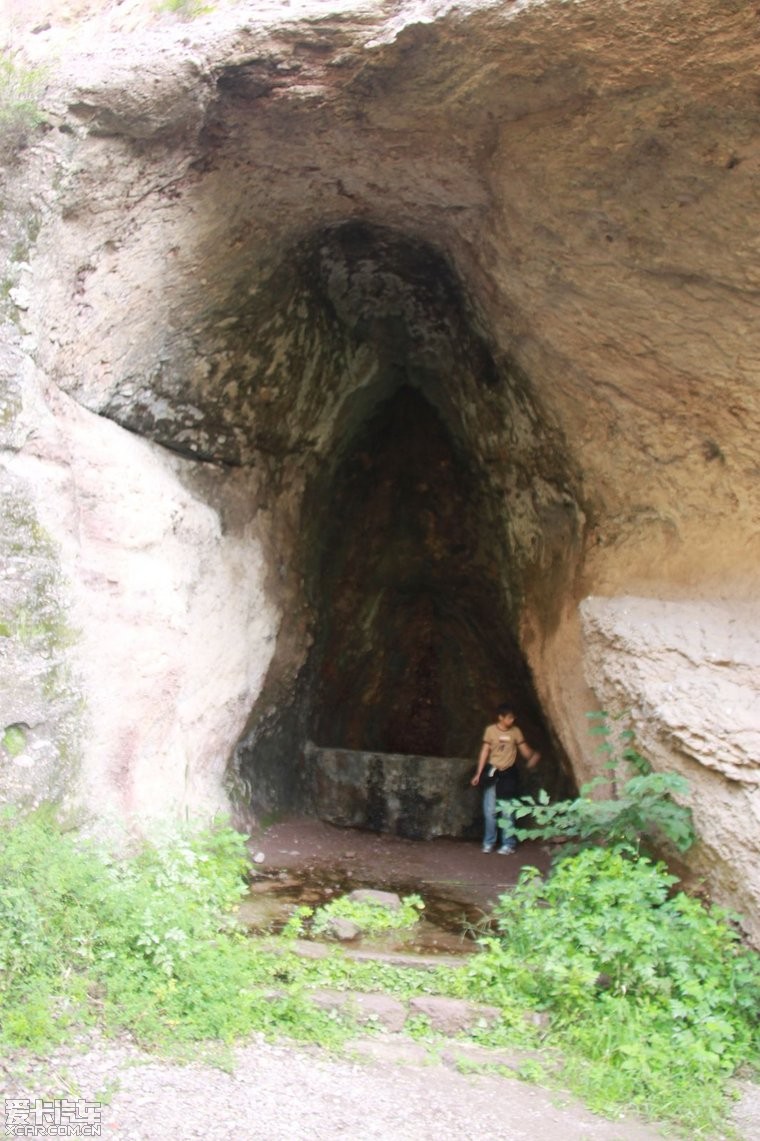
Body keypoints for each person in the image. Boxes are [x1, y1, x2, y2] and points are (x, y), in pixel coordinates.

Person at [471, 704, 540, 854]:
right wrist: (478, 773)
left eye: (513, 717)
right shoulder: (490, 731)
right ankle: (489, 842)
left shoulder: (516, 731)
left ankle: (508, 843)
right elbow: (484, 752)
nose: (512, 719)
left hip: (509, 774)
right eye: (509, 717)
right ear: (500, 717)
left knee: (507, 810)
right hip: (493, 772)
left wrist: (533, 756)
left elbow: (524, 749)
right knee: (489, 810)